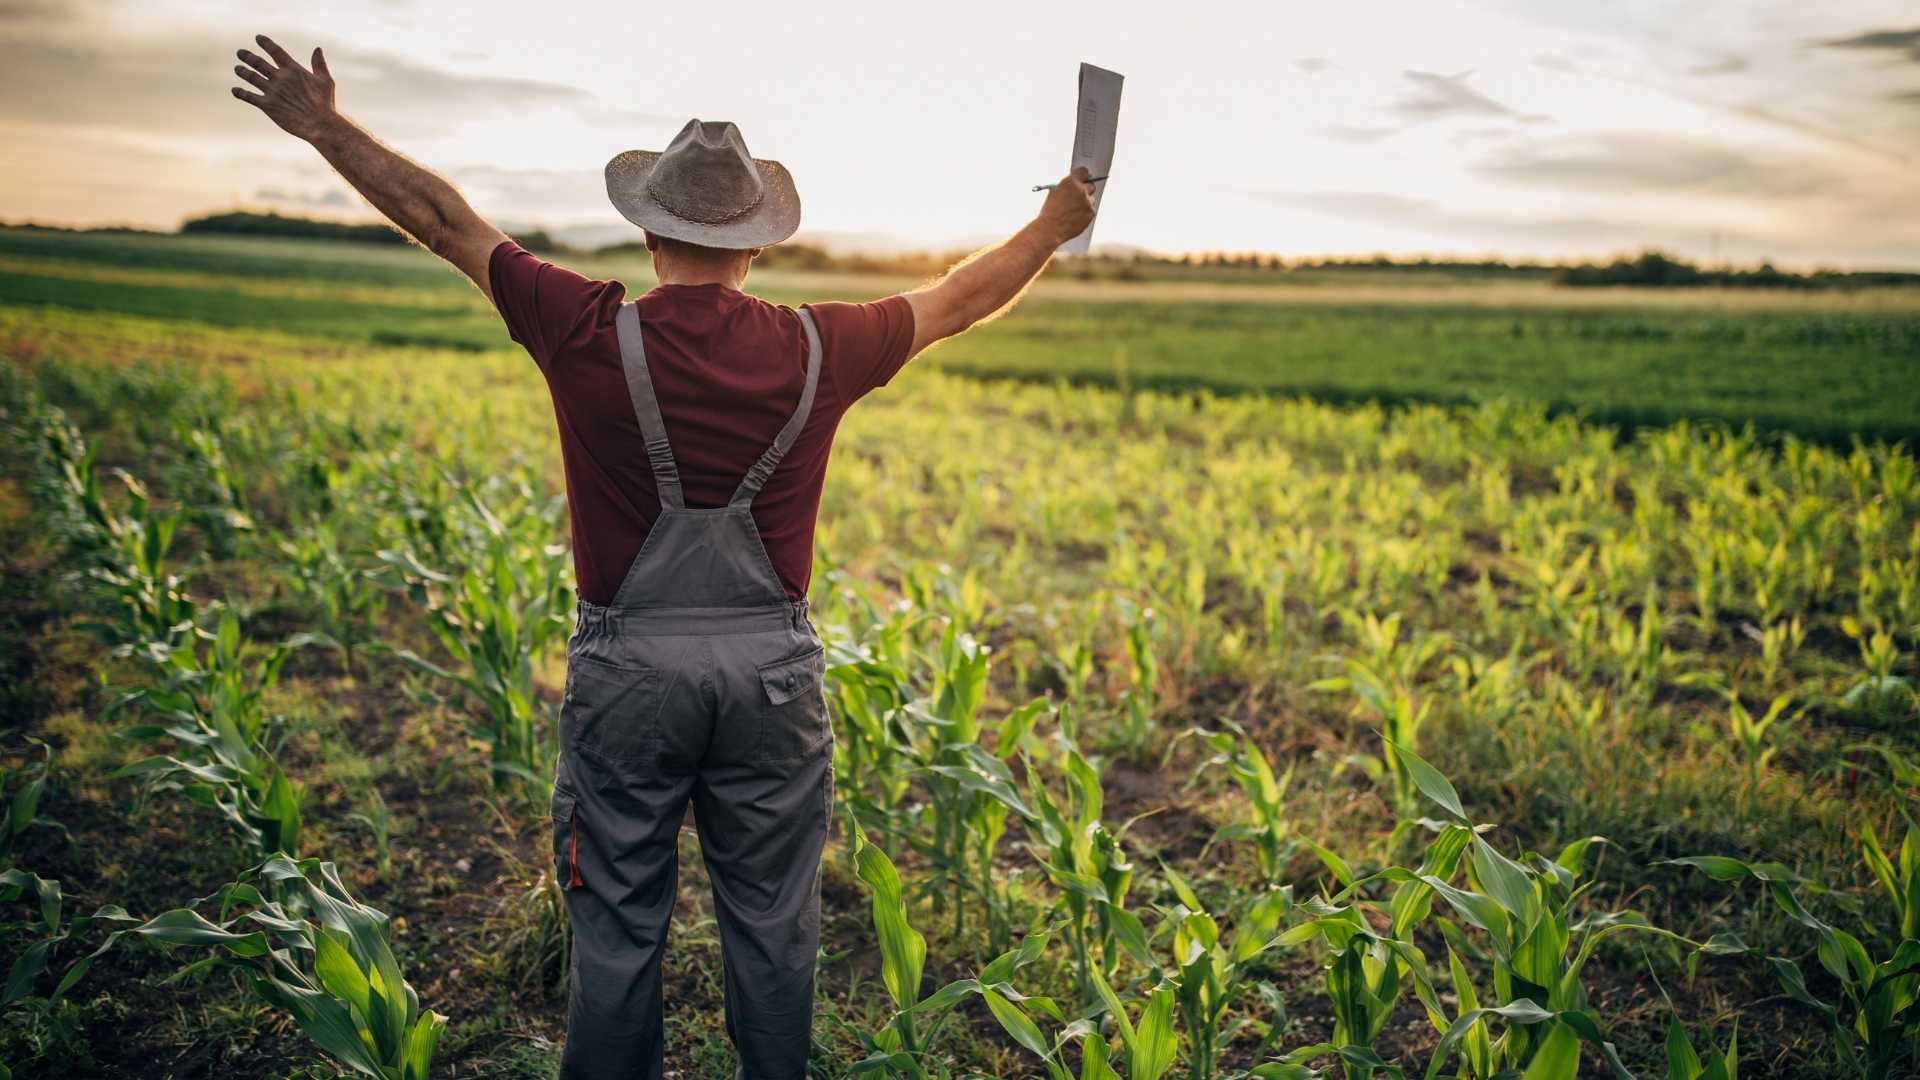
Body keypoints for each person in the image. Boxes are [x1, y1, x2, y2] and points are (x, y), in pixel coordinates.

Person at [229, 34, 1097, 1080]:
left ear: (649, 235)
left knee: (616, 929)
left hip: (629, 674)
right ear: (757, 247)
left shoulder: (582, 326)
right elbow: (960, 298)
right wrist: (1054, 224)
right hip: (771, 677)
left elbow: (444, 221)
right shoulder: (824, 346)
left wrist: (323, 126)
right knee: (776, 930)